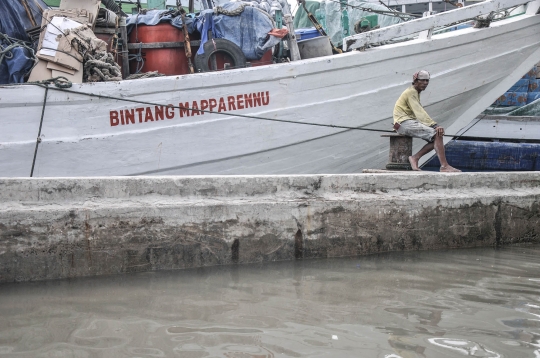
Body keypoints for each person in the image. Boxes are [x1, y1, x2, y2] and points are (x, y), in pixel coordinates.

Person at [393, 70, 461, 172]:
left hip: (405, 122)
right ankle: (444, 166)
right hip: (403, 123)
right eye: (422, 80)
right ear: (415, 81)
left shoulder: (414, 92)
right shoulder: (411, 92)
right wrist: (434, 125)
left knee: (436, 138)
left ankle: (415, 158)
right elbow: (419, 112)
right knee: (437, 133)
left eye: (427, 81)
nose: (425, 83)